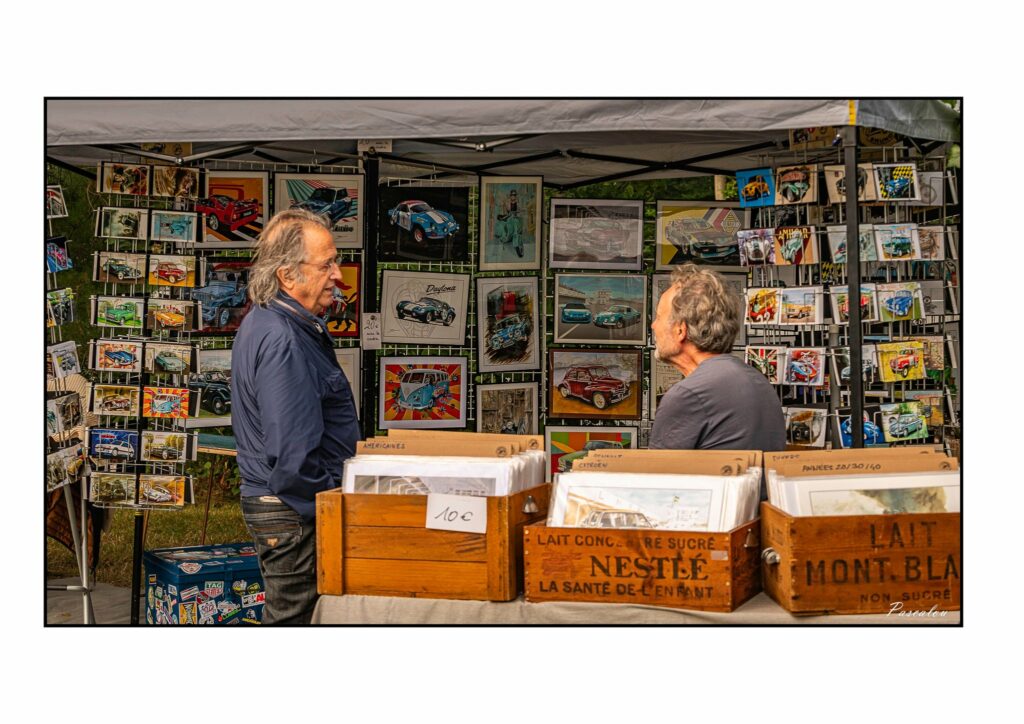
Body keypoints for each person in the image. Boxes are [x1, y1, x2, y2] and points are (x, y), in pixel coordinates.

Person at [231, 209, 361, 624]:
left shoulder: (273, 323)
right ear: (288, 276)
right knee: (293, 621)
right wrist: (332, 505)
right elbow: (293, 456)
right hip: (295, 509)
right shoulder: (282, 336)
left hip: (288, 506)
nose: (339, 275)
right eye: (327, 265)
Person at [649, 264, 785, 451]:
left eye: (658, 317)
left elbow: (657, 475)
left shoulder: (688, 395)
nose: (653, 325)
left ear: (681, 330)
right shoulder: (757, 380)